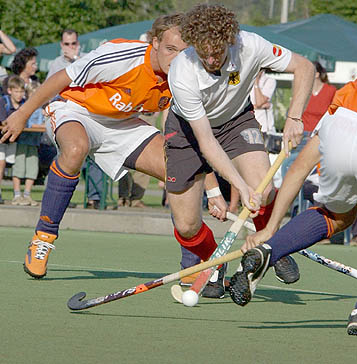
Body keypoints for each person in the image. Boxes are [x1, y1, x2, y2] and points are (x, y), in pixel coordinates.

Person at [1, 13, 225, 279]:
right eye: (170, 49)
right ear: (155, 43)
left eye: (184, 52)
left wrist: (212, 192)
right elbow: (62, 78)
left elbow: (191, 137)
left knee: (180, 171)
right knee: (75, 150)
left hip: (123, 123)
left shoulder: (186, 76)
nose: (176, 58)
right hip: (75, 109)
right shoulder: (122, 56)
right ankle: (43, 238)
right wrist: (23, 114)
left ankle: (193, 264)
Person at [229, 63, 357, 337]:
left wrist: (270, 229)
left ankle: (271, 249)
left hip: (341, 131)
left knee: (338, 215)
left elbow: (298, 170)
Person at [164, 4, 315, 298]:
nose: (210, 59)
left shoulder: (250, 45)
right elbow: (206, 142)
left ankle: (270, 243)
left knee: (265, 187)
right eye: (203, 52)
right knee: (186, 226)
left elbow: (304, 67)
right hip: (189, 130)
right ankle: (214, 264)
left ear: (230, 41)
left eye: (217, 52)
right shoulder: (183, 71)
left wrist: (295, 117)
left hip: (236, 120)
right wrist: (239, 186)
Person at [281, 61, 336, 177]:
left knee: (314, 172)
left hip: (318, 136)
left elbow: (333, 114)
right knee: (291, 168)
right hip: (300, 134)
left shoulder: (330, 91)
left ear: (316, 74)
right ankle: (295, 195)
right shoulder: (303, 91)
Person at [11, 80, 45, 206]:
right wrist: (40, 126)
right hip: (23, 142)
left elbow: (44, 124)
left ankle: (27, 194)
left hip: (34, 143)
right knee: (19, 168)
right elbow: (29, 124)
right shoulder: (25, 107)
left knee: (32, 169)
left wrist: (42, 125)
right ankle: (17, 194)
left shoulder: (41, 109)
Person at [0, 75, 26, 204]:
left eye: (22, 91)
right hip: (1, 140)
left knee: (15, 165)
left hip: (15, 140)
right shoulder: (3, 102)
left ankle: (19, 195)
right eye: (16, 91)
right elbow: (4, 122)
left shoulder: (24, 103)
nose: (19, 94)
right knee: (1, 164)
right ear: (10, 91)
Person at [250, 70, 277, 135]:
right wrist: (258, 106)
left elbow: (259, 102)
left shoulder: (270, 80)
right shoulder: (247, 80)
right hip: (250, 127)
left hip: (265, 129)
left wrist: (256, 82)